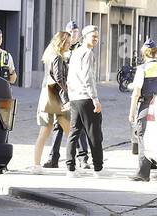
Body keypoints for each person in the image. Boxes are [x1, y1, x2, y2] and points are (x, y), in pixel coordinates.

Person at [45, 20, 87, 170]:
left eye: (75, 32)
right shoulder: (61, 53)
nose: (73, 35)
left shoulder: (81, 49)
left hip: (75, 91)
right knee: (60, 126)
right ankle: (54, 157)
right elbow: (59, 77)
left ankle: (83, 157)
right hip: (64, 93)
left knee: (78, 125)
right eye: (70, 33)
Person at [129, 39, 157, 182]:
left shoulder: (142, 69)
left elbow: (136, 92)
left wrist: (132, 112)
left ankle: (143, 173)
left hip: (147, 105)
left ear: (143, 53)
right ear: (156, 52)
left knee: (142, 137)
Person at [30, 31, 72, 172]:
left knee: (45, 132)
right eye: (68, 42)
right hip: (56, 98)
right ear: (62, 42)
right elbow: (59, 79)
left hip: (47, 97)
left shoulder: (50, 55)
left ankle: (36, 165)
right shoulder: (58, 57)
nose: (70, 44)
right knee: (70, 131)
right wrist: (66, 96)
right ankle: (74, 164)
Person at [66, 24, 105, 176]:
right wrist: (94, 98)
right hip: (85, 97)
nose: (95, 39)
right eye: (93, 36)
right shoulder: (87, 53)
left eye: (97, 36)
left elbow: (70, 77)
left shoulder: (75, 52)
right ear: (85, 37)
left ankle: (70, 167)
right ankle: (98, 168)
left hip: (76, 98)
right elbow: (87, 77)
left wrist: (71, 96)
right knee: (94, 133)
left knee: (74, 132)